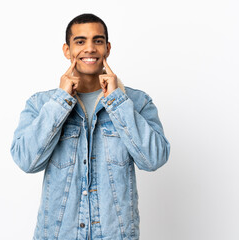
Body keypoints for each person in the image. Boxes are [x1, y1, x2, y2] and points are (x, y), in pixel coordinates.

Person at [10, 13, 170, 240]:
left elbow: (154, 158)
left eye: (98, 41)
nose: (90, 48)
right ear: (67, 50)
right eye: (80, 41)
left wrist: (117, 100)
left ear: (107, 48)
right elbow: (26, 161)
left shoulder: (137, 102)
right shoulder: (41, 104)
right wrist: (61, 101)